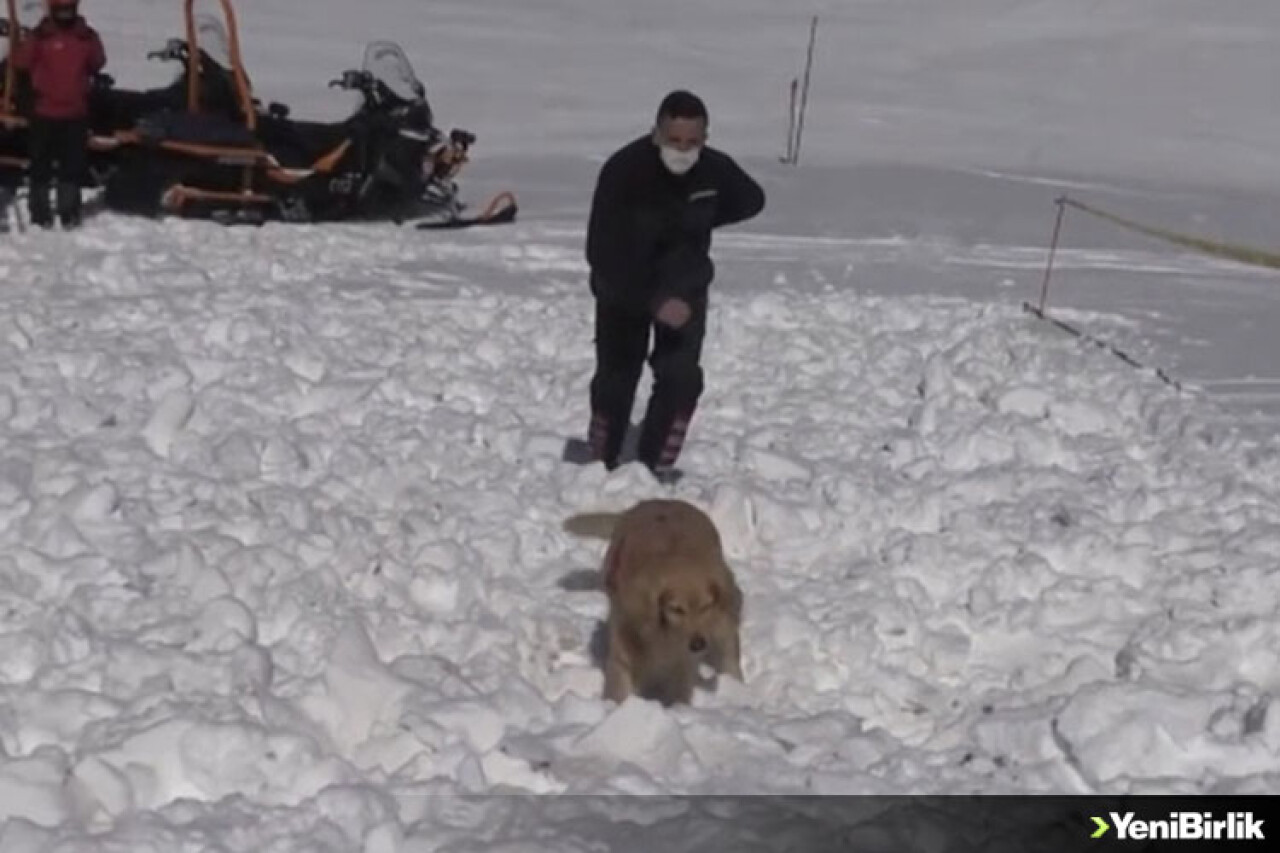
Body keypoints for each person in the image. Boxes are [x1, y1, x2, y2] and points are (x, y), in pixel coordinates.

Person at [583, 89, 765, 481]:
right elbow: (601, 249)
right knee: (617, 376)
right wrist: (652, 298)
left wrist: (701, 220)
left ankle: (654, 465)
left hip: (684, 290)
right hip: (624, 289)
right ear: (656, 134)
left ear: (705, 140)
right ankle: (602, 461)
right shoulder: (624, 171)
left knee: (681, 376)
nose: (682, 150)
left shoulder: (713, 171)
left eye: (693, 142)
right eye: (674, 140)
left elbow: (751, 199)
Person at [11, 0, 106, 228]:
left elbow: (98, 62)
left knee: (64, 167)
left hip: (68, 113)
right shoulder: (44, 36)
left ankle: (61, 212)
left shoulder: (82, 36)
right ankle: (47, 212)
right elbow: (21, 62)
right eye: (61, 9)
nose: (65, 14)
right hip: (50, 111)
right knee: (48, 166)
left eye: (68, 9)